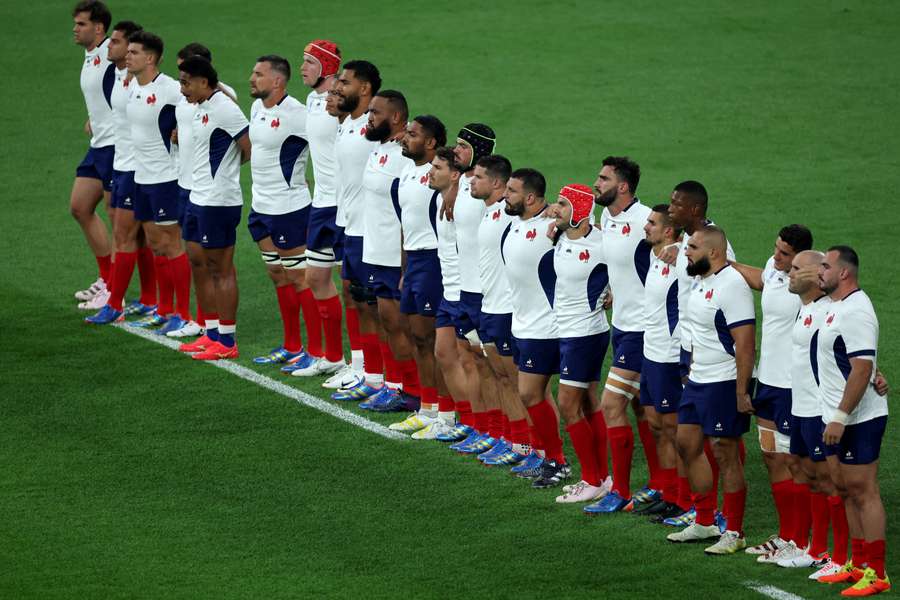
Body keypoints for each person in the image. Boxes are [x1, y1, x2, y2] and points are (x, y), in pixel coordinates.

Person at [86, 31, 190, 328]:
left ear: (150, 58)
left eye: (133, 52)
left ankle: (180, 313)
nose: (127, 56)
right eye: (127, 51)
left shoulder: (170, 87)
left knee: (170, 244)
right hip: (138, 174)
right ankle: (161, 307)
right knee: (152, 242)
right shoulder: (130, 86)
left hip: (165, 177)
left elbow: (205, 102)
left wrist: (184, 132)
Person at [729, 225, 816, 561]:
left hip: (794, 387)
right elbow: (763, 279)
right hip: (767, 380)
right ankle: (786, 535)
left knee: (795, 462)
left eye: (785, 254)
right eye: (776, 249)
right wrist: (728, 264)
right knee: (771, 458)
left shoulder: (809, 286)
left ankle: (802, 539)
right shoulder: (776, 270)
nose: (777, 257)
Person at [666, 225, 754, 555]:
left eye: (692, 247)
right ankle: (704, 521)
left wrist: (742, 390)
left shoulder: (731, 286)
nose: (685, 251)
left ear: (714, 253)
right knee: (686, 442)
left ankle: (734, 531)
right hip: (698, 379)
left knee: (725, 453)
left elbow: (745, 344)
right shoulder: (702, 282)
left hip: (724, 380)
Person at [243, 56, 332, 372]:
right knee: (278, 276)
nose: (251, 78)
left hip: (289, 209)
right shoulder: (256, 108)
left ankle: (316, 350)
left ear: (278, 81)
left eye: (258, 74)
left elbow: (324, 146)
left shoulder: (297, 114)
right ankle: (291, 345)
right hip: (261, 208)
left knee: (300, 279)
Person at [587, 156, 661, 513]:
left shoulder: (646, 221)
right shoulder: (607, 217)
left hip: (644, 331)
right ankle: (660, 484)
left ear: (623, 186)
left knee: (610, 404)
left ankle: (620, 490)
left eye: (603, 179)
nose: (597, 183)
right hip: (623, 326)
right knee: (643, 409)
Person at [815, 246, 890, 596]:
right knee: (845, 489)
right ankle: (858, 564)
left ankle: (877, 572)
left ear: (844, 273)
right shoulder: (835, 307)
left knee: (863, 491)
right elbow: (858, 361)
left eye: (826, 266)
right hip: (834, 414)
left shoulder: (857, 309)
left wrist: (841, 418)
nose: (820, 271)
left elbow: (860, 368)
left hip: (857, 417)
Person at [176, 56, 250, 359]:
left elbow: (248, 147)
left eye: (186, 82)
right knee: (201, 265)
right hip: (197, 197)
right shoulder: (201, 107)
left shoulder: (225, 108)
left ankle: (228, 342)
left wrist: (226, 174)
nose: (182, 90)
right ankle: (211, 333)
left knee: (221, 270)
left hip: (219, 201)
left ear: (204, 82)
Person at [501, 168, 569, 487]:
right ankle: (545, 456)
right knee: (537, 395)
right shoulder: (515, 223)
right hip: (522, 323)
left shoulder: (551, 227)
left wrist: (566, 212)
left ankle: (557, 461)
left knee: (530, 393)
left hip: (547, 327)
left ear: (530, 197)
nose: (505, 195)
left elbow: (592, 234)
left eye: (511, 191)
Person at [544, 184, 612, 502]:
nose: (555, 209)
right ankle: (602, 477)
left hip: (584, 333)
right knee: (587, 402)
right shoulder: (561, 235)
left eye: (563, 204)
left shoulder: (600, 243)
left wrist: (615, 294)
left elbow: (631, 268)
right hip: (572, 331)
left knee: (569, 405)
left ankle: (590, 480)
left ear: (582, 211)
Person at [86, 19, 158, 317]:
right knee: (133, 236)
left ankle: (116, 303)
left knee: (135, 237)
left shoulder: (149, 84)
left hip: (141, 169)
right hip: (122, 165)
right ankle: (149, 299)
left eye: (129, 49)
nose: (122, 53)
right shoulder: (117, 77)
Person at [467, 155, 532, 466]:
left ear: (496, 182)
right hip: (488, 306)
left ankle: (531, 445)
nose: (471, 180)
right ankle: (511, 438)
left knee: (518, 381)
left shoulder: (511, 216)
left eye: (477, 176)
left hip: (507, 309)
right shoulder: (489, 212)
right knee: (500, 377)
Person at [388, 115, 450, 434]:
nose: (403, 138)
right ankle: (427, 409)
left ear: (430, 143)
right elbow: (405, 224)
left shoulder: (439, 176)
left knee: (434, 341)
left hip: (434, 261)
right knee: (417, 338)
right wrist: (403, 267)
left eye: (412, 134)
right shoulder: (406, 171)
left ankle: (447, 415)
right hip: (414, 261)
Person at [329, 61, 385, 401]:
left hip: (370, 230)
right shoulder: (348, 122)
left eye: (345, 83)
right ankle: (365, 368)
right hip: (348, 224)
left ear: (364, 88)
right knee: (353, 297)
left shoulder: (373, 127)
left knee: (375, 306)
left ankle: (382, 377)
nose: (338, 88)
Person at [445, 124, 501, 455]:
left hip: (485, 291)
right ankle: (486, 428)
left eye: (464, 146)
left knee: (496, 369)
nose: (457, 150)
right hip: (465, 289)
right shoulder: (466, 185)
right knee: (477, 365)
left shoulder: (489, 193)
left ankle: (512, 437)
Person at [627, 204, 684, 517]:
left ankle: (686, 499)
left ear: (669, 231)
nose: (645, 227)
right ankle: (670, 491)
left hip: (669, 356)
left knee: (674, 430)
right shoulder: (652, 256)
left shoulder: (682, 260)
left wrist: (682, 247)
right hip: (650, 353)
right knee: (657, 426)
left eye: (651, 223)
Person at [300, 40, 347, 376]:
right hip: (321, 202)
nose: (302, 68)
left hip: (344, 205)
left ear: (327, 67)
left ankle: (361, 366)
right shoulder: (312, 101)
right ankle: (333, 358)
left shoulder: (343, 106)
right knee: (315, 277)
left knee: (352, 288)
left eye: (309, 62)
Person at [423, 146, 475, 441]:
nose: (430, 172)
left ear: (455, 175)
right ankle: (463, 420)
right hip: (449, 289)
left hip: (467, 292)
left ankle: (481, 425)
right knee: (444, 354)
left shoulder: (467, 202)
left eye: (438, 168)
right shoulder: (438, 200)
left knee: (477, 365)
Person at [71, 0, 115, 303]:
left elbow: (136, 84)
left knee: (122, 224)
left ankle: (116, 291)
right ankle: (108, 278)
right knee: (79, 207)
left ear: (98, 27)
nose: (75, 29)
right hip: (98, 144)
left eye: (82, 24)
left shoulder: (113, 52)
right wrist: (95, 117)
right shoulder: (90, 56)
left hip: (116, 147)